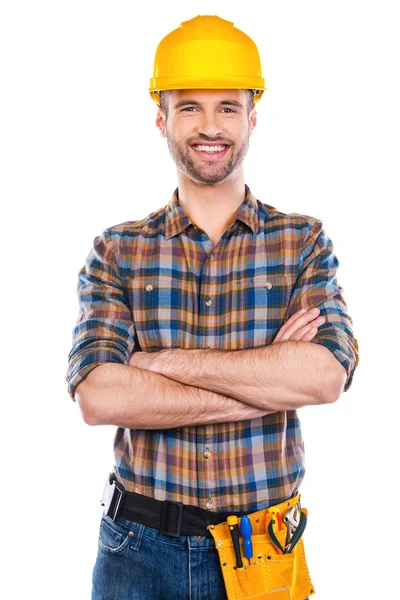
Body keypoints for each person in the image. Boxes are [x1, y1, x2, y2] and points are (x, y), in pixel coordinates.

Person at [66, 15, 359, 600]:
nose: (209, 126)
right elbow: (99, 396)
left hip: (263, 549)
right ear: (161, 118)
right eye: (189, 107)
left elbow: (324, 376)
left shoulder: (302, 241)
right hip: (136, 550)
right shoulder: (117, 249)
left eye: (227, 106)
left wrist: (158, 364)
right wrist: (266, 377)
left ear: (253, 116)